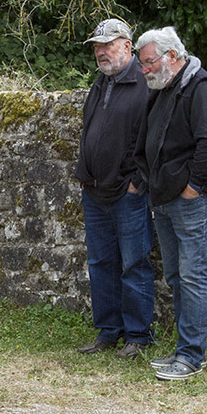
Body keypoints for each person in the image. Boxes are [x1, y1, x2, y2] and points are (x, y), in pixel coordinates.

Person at [133, 27, 207, 380]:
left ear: (172, 56)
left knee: (191, 276)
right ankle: (182, 350)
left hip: (193, 199)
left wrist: (192, 188)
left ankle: (191, 356)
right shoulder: (163, 90)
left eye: (148, 62)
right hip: (166, 197)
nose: (143, 70)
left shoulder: (200, 87)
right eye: (142, 64)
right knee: (176, 275)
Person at [74, 18, 154, 360]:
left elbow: (153, 139)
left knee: (134, 263)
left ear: (127, 45)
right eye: (97, 46)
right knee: (100, 261)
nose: (101, 52)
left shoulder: (144, 83)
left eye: (108, 45)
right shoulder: (101, 83)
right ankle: (108, 331)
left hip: (127, 192)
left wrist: (137, 183)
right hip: (94, 190)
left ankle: (137, 335)